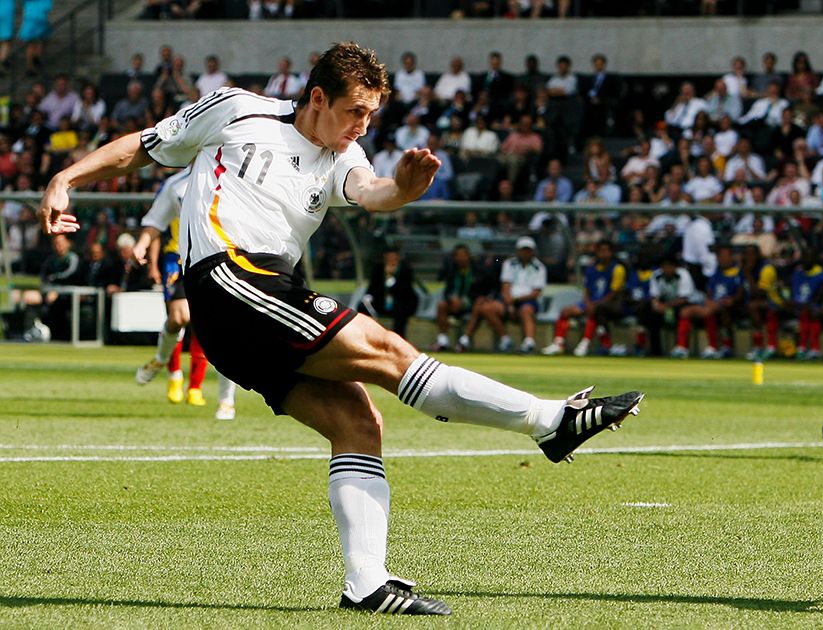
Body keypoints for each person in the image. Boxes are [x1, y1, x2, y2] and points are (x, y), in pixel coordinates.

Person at [39, 42, 643, 616]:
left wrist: (402, 190)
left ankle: (367, 584)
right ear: (319, 98)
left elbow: (370, 190)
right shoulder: (236, 109)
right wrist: (66, 179)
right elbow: (143, 146)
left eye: (372, 114)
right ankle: (549, 422)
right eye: (355, 110)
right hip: (227, 279)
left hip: (266, 296)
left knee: (358, 421)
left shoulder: (344, 156)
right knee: (385, 350)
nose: (362, 125)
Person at [132, 166, 238, 419]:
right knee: (179, 318)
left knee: (224, 330)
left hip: (223, 257)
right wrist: (141, 245)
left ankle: (226, 400)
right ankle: (162, 359)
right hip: (180, 260)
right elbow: (156, 220)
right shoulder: (175, 184)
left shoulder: (233, 175)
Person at [543, 239, 626, 357]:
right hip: (591, 302)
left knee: (595, 312)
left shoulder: (617, 269)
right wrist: (587, 302)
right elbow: (586, 290)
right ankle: (559, 343)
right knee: (565, 311)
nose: (603, 254)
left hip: (608, 304)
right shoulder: (591, 268)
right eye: (601, 251)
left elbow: (614, 293)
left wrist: (594, 304)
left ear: (611, 252)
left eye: (606, 251)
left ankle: (585, 343)